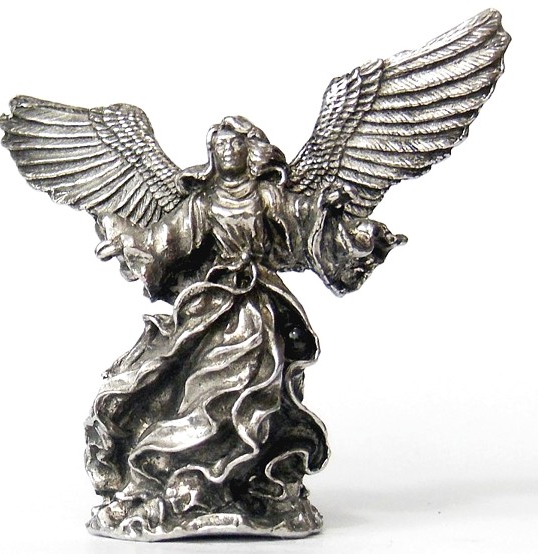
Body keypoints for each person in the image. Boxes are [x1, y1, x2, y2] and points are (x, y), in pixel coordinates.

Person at [84, 115, 402, 535]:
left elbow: (303, 216)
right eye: (218, 145)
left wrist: (333, 215)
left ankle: (248, 477)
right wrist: (130, 240)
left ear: (249, 151)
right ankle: (185, 470)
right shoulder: (202, 204)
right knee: (192, 384)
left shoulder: (266, 196)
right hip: (210, 306)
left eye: (234, 144)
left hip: (255, 309)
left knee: (254, 387)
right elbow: (165, 241)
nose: (226, 151)